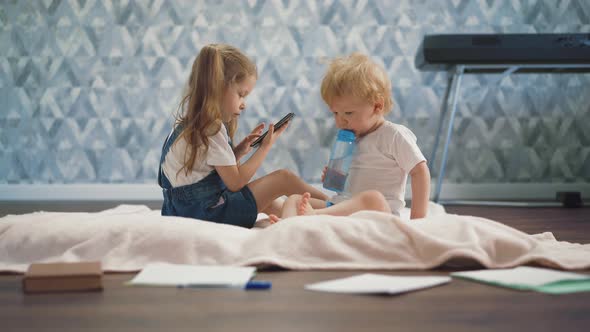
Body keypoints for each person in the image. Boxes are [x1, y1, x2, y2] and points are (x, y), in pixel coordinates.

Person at [157, 43, 330, 228]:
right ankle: (333, 206)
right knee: (283, 178)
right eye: (241, 94)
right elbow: (235, 183)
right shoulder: (212, 128)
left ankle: (303, 216)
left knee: (269, 201)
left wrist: (238, 152)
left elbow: (205, 171)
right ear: (218, 88)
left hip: (179, 210)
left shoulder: (186, 124)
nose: (243, 104)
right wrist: (265, 148)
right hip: (209, 213)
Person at [270, 52, 430, 222]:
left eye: (348, 113)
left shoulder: (394, 135)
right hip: (340, 208)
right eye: (335, 113)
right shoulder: (351, 138)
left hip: (377, 214)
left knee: (372, 197)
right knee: (295, 199)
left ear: (377, 105)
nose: (340, 122)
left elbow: (420, 171)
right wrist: (338, 177)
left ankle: (312, 217)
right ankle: (288, 226)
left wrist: (417, 220)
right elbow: (355, 182)